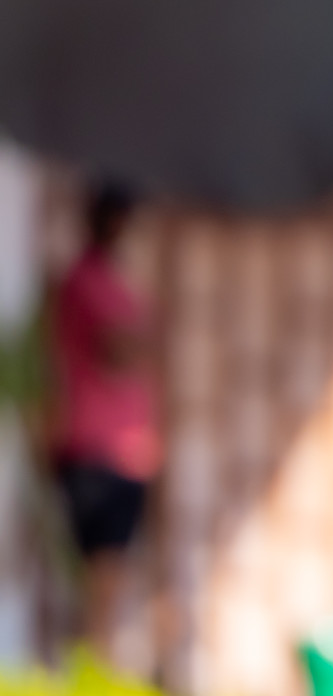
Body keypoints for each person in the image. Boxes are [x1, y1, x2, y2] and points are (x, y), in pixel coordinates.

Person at [46, 180, 158, 665]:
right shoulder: (87, 281)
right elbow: (117, 350)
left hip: (123, 449)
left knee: (110, 577)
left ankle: (95, 664)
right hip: (97, 450)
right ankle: (92, 667)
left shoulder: (113, 281)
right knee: (102, 576)